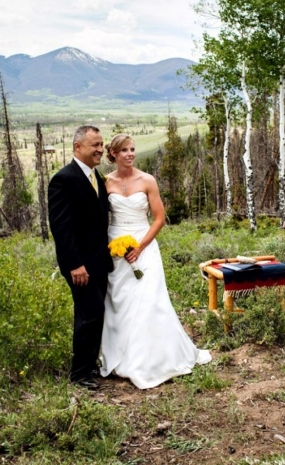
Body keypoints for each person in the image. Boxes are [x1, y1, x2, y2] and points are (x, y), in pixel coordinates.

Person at [98, 133, 212, 389]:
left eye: (133, 149)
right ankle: (121, 358)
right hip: (116, 248)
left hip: (144, 245)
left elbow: (159, 218)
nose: (130, 154)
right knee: (120, 301)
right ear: (113, 154)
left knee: (150, 301)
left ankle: (151, 359)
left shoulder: (147, 180)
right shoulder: (105, 182)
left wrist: (140, 247)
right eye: (124, 150)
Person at [48, 125, 113, 390]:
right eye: (94, 145)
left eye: (101, 144)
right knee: (91, 313)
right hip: (79, 265)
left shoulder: (97, 178)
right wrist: (75, 264)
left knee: (92, 314)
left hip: (99, 261)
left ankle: (88, 366)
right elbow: (61, 229)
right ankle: (79, 374)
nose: (100, 150)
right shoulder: (64, 179)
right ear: (78, 147)